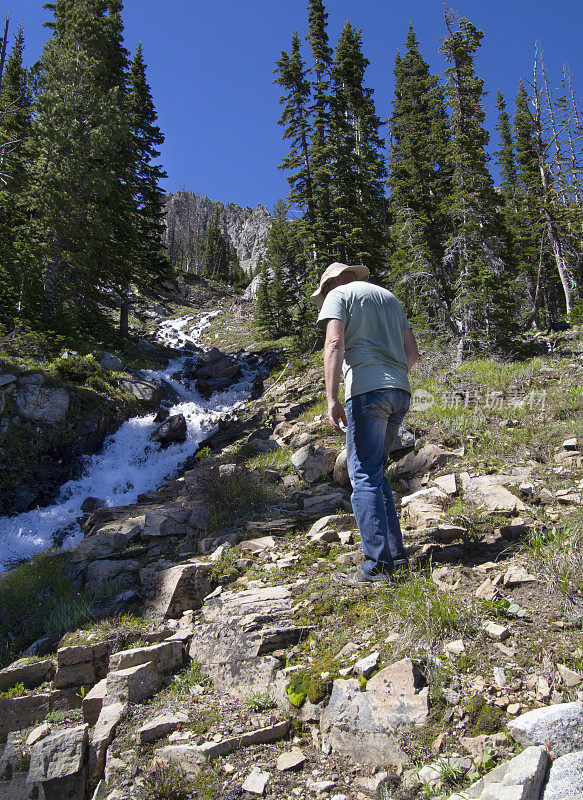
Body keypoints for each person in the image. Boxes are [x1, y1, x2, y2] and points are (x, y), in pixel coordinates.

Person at [311, 262, 419, 584]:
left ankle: (377, 567)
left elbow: (333, 344)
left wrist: (332, 398)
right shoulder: (389, 297)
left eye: (326, 288)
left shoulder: (339, 295)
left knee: (363, 475)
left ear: (334, 281)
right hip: (400, 390)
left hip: (366, 391)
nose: (326, 294)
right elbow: (412, 352)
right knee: (376, 472)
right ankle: (396, 558)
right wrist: (392, 374)